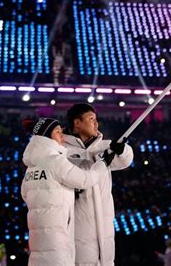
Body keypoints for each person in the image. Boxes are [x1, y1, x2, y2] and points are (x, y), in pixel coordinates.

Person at [20, 118, 112, 266]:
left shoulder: (31, 168)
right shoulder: (55, 160)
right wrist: (103, 163)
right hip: (58, 238)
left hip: (38, 240)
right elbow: (85, 179)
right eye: (57, 132)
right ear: (46, 137)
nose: (62, 136)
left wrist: (63, 191)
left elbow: (26, 194)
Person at [63, 103, 134, 266]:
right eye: (91, 119)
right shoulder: (63, 150)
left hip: (104, 224)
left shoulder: (105, 146)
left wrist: (122, 150)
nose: (96, 123)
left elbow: (126, 160)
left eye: (96, 119)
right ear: (77, 123)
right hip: (78, 223)